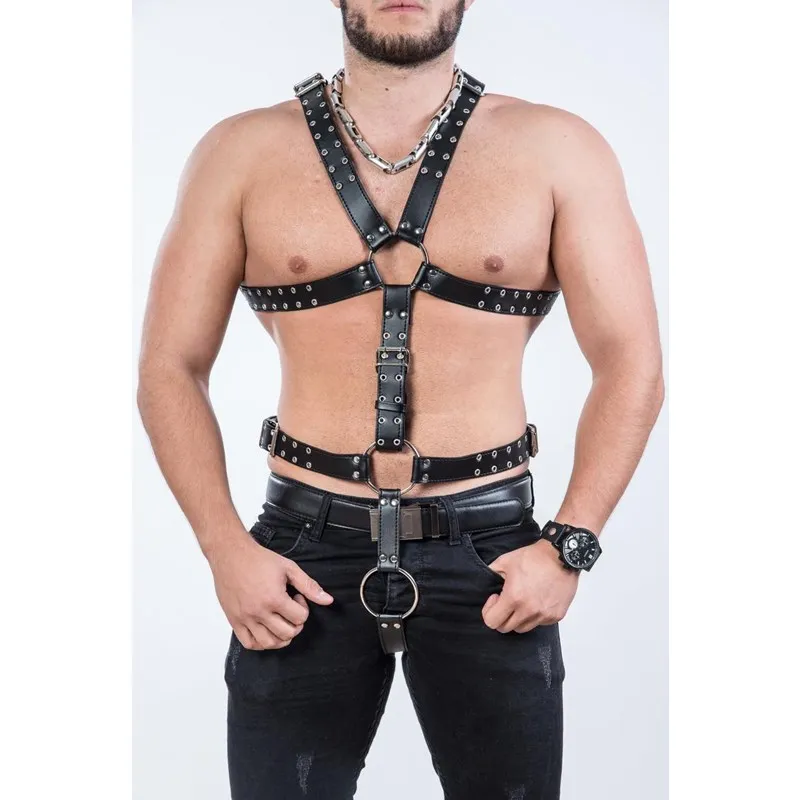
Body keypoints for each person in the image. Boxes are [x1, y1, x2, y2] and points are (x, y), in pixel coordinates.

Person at [136, 1, 664, 797]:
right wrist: (223, 548)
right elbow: (169, 368)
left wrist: (569, 546)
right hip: (300, 555)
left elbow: (632, 364)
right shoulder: (238, 153)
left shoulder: (559, 149)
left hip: (493, 555)